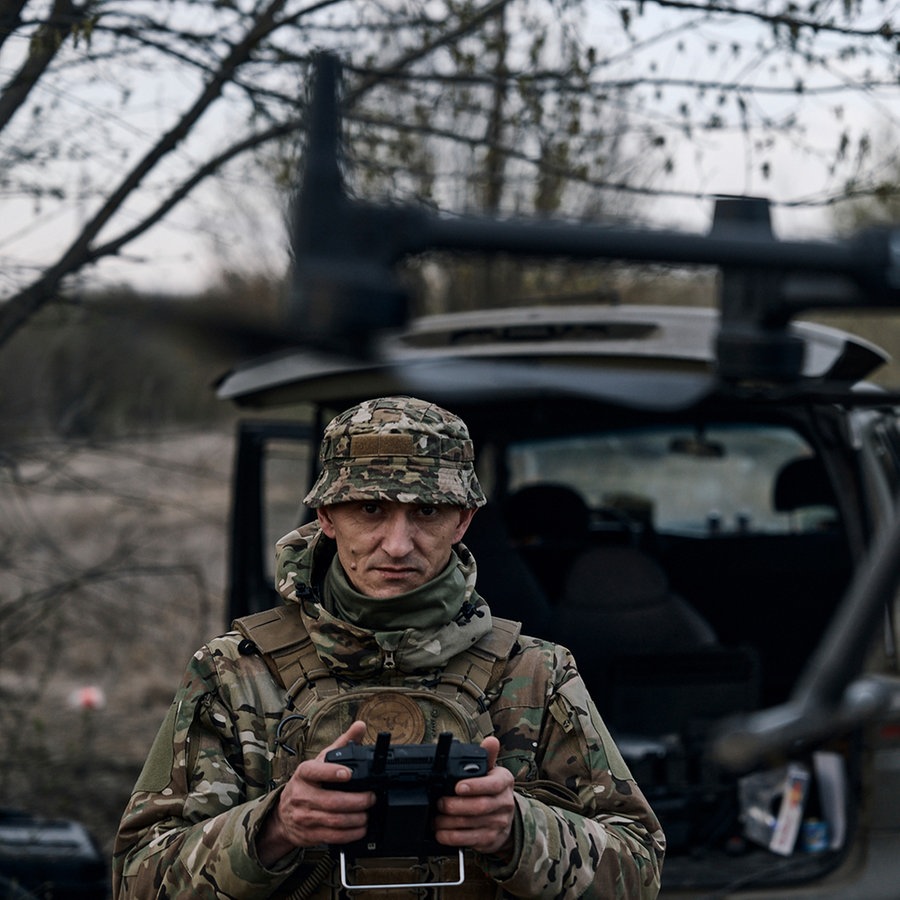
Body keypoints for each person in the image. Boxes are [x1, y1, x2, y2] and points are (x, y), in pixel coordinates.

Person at [112, 396, 665, 899]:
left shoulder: (537, 673)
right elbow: (137, 881)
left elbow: (640, 873)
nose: (398, 545)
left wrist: (519, 832)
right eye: (370, 509)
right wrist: (274, 828)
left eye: (426, 512)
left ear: (463, 520)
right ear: (327, 516)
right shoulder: (233, 673)